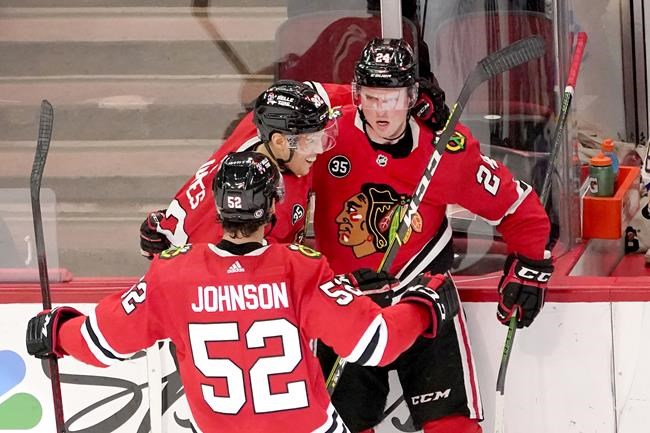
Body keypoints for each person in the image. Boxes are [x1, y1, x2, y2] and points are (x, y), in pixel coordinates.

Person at [26, 152, 462, 433]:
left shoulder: (173, 274)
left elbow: (103, 345)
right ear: (272, 206)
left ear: (217, 207)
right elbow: (377, 343)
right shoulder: (300, 267)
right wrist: (426, 305)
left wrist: (58, 331)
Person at [309, 38, 553, 433]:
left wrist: (530, 266)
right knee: (342, 427)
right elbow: (278, 193)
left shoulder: (445, 151)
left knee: (452, 425)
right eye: (370, 98)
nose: (380, 110)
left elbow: (517, 206)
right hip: (347, 302)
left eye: (390, 99)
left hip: (424, 299)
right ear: (357, 95)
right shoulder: (325, 137)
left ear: (411, 96)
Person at [139, 79, 345, 257]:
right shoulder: (257, 209)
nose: (318, 149)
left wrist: (370, 95)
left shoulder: (259, 129)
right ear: (280, 141)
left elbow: (307, 94)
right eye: (309, 141)